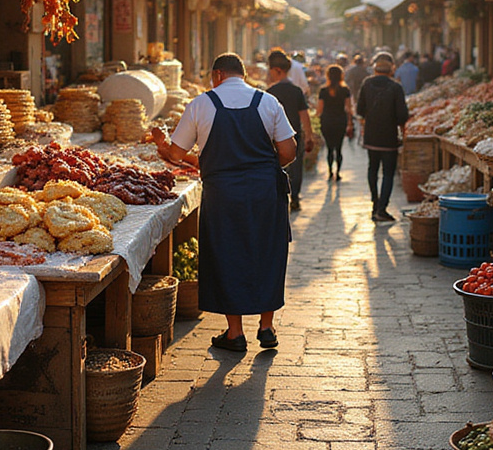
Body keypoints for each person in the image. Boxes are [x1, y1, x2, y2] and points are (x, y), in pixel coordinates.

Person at [151, 53, 297, 352]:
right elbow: (289, 150)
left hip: (223, 195)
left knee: (228, 254)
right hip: (265, 193)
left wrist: (161, 143)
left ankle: (235, 332)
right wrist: (264, 168)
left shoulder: (202, 104)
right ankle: (267, 327)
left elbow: (177, 155)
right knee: (266, 252)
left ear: (217, 75)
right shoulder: (267, 102)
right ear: (241, 74)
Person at [356, 51, 409, 222]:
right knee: (387, 173)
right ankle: (382, 208)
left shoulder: (367, 84)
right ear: (392, 68)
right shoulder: (396, 87)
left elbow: (359, 110)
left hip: (371, 136)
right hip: (389, 138)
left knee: (373, 169)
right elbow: (402, 116)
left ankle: (375, 203)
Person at [267, 49, 315, 212]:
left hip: (275, 138)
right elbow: (304, 115)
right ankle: (294, 197)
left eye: (271, 70)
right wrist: (309, 135)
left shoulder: (270, 93)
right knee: (296, 167)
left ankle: (280, 196)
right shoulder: (296, 91)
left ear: (278, 70)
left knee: (277, 167)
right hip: (295, 134)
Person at [317, 64, 353, 181]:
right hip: (340, 121)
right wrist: (350, 123)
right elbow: (348, 109)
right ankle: (337, 172)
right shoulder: (345, 90)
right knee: (338, 148)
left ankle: (329, 171)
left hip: (327, 121)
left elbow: (319, 110)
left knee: (329, 148)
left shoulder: (323, 90)